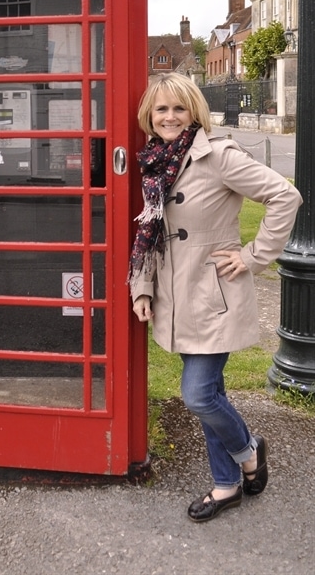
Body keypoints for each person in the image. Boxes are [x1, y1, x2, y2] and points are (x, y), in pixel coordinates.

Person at [128, 73, 302, 523]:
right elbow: (151, 233)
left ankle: (248, 451)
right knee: (212, 393)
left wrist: (251, 256)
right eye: (161, 109)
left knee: (200, 395)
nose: (169, 117)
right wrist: (142, 287)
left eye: (179, 109)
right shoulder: (154, 163)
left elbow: (286, 196)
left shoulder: (218, 155)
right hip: (173, 295)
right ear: (150, 114)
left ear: (195, 113)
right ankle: (226, 485)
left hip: (212, 296)